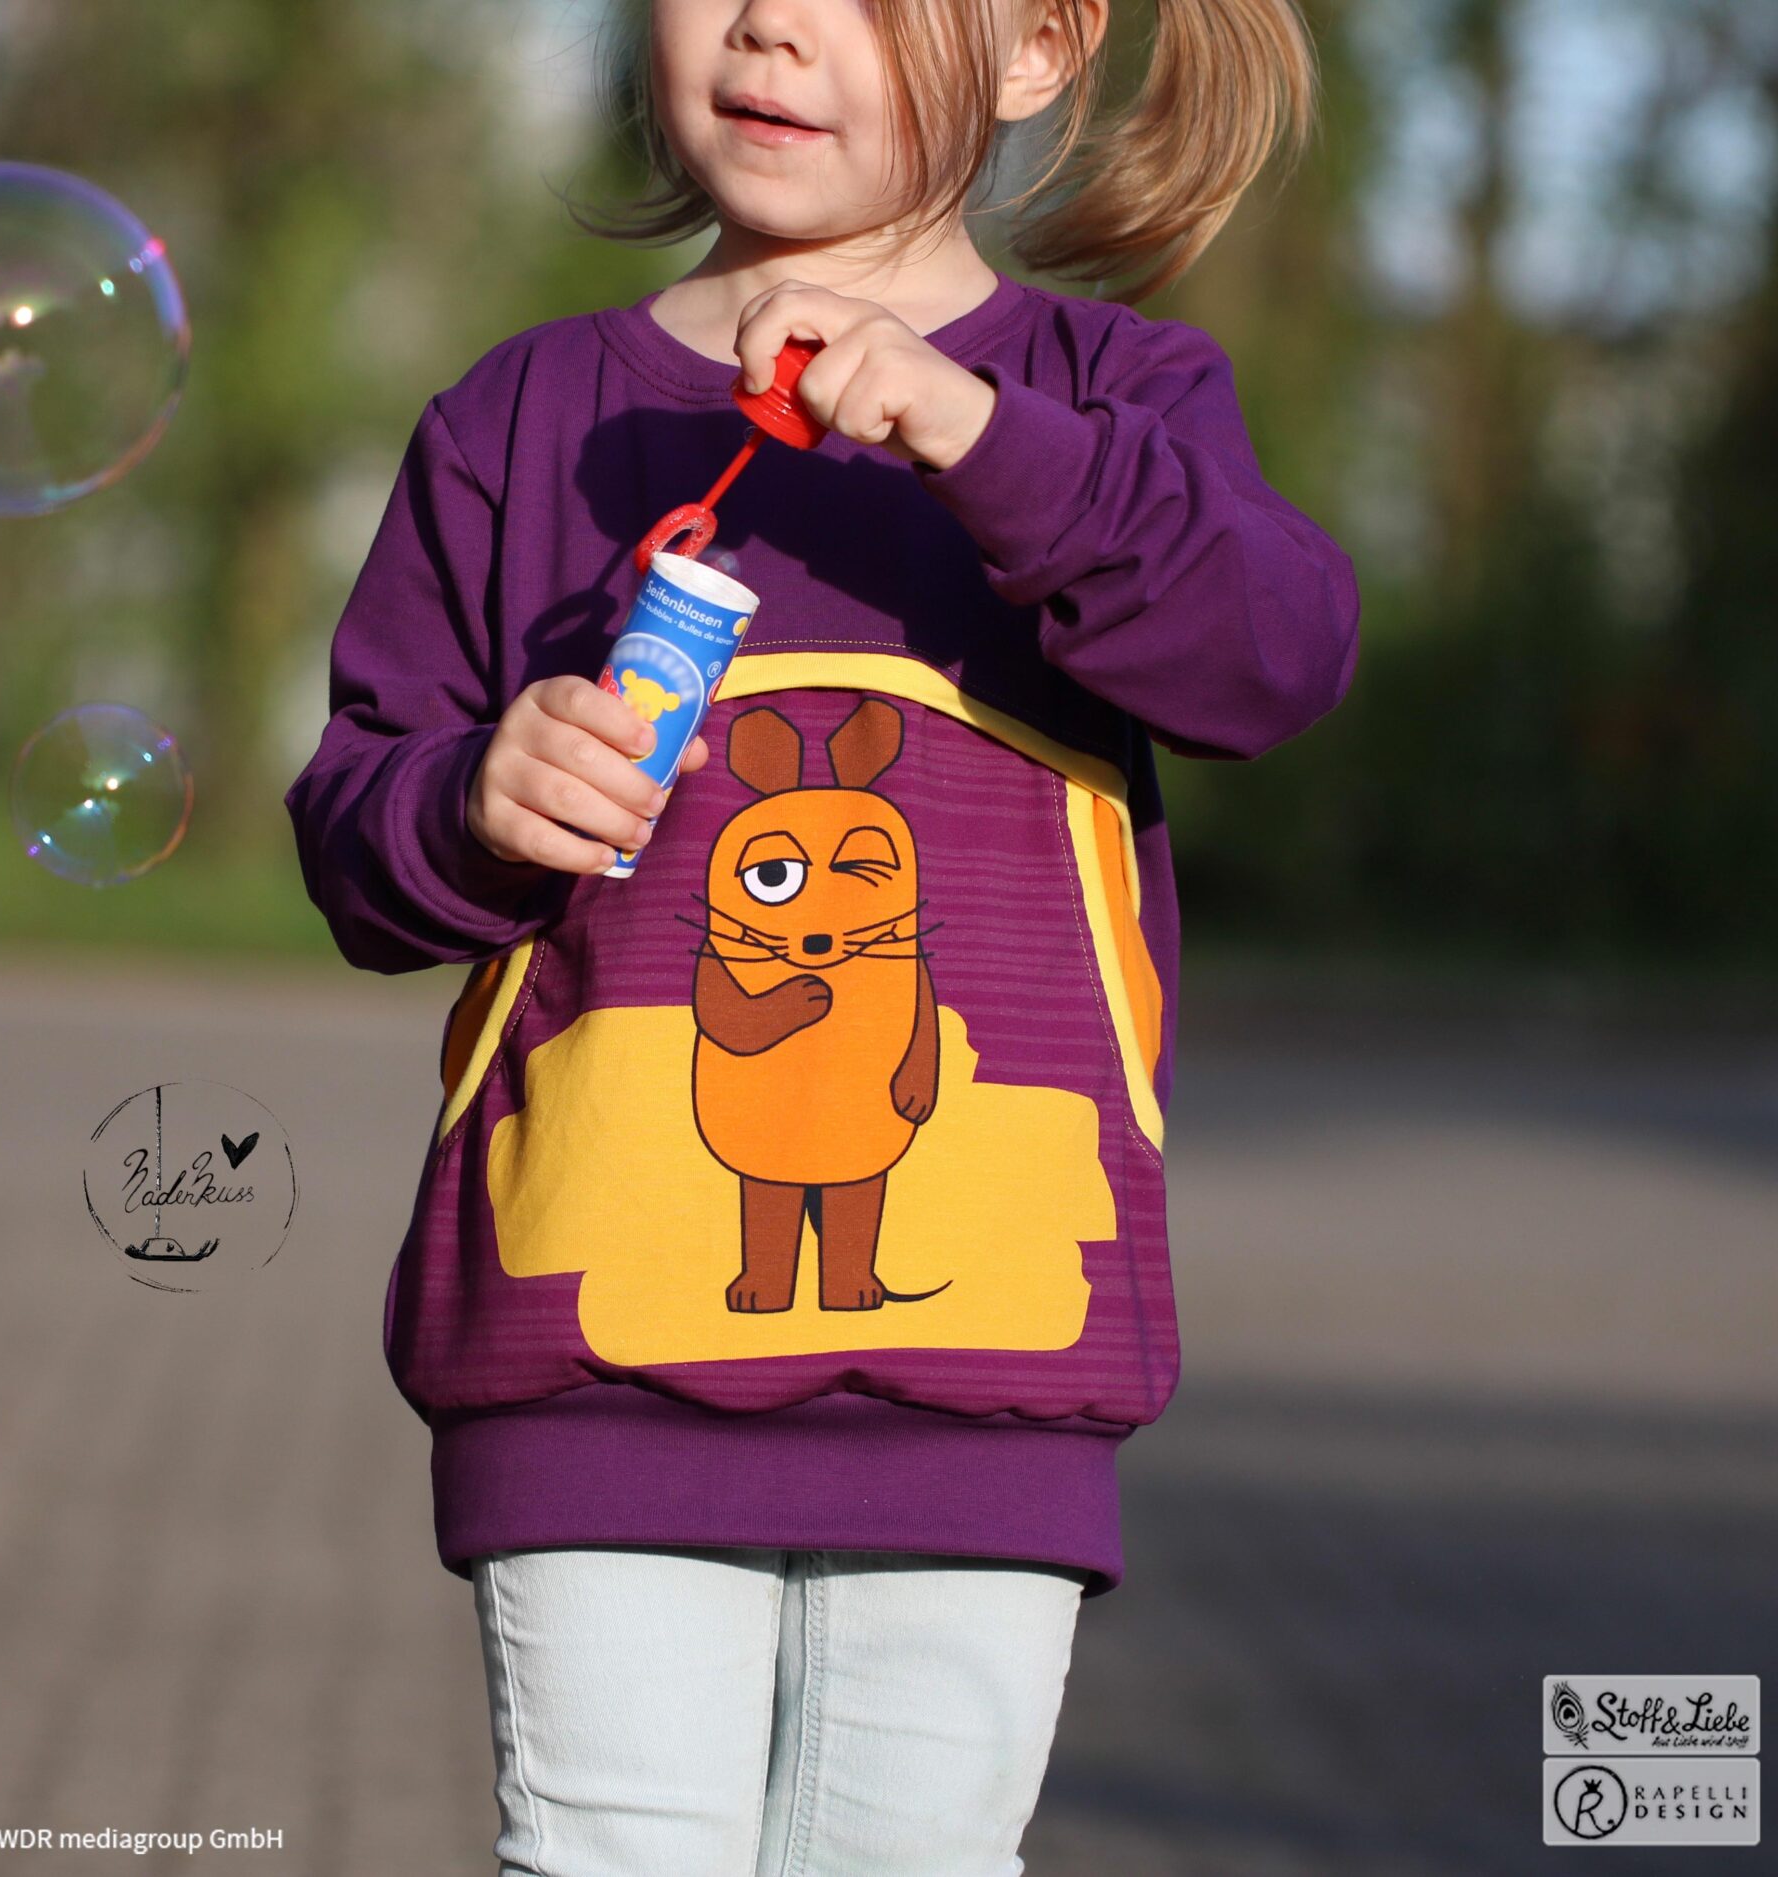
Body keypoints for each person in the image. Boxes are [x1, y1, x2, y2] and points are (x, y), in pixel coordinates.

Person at [282, 0, 1359, 1870]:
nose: (773, 23)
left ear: (1037, 48)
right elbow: (355, 836)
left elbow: (1273, 653)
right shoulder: (521, 419)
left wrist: (983, 437)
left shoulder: (1109, 397)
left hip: (985, 1384)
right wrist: (467, 798)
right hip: (590, 1359)